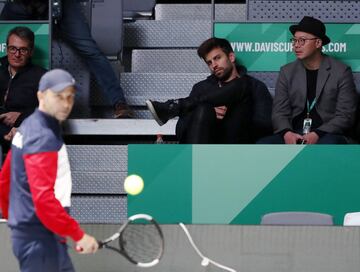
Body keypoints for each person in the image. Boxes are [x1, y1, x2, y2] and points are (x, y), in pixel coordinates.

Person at [0, 69, 98, 272]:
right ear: (41, 96)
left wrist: (18, 222)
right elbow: (43, 199)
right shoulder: (43, 137)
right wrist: (78, 234)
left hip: (41, 234)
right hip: (40, 238)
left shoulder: (29, 125)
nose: (66, 103)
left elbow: (5, 180)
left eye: (70, 97)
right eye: (59, 96)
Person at [0, 0, 133, 118]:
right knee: (5, 39)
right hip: (22, 4)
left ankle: (119, 102)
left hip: (61, 4)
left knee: (90, 50)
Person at [146, 37, 272, 143]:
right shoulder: (201, 88)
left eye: (217, 58)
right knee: (204, 109)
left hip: (237, 145)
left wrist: (232, 115)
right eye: (209, 63)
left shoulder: (254, 86)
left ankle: (174, 106)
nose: (214, 65)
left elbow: (265, 125)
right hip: (203, 146)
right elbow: (181, 130)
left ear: (231, 57)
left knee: (242, 84)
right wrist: (209, 114)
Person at [258, 16, 358, 144]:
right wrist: (287, 133)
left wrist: (318, 133)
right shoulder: (287, 71)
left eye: (302, 40)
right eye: (294, 40)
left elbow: (346, 115)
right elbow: (279, 112)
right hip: (294, 132)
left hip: (327, 133)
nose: (296, 45)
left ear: (318, 43)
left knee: (329, 144)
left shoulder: (341, 71)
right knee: (264, 144)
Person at [0, 26, 46, 146]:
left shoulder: (42, 76)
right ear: (6, 49)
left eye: (23, 50)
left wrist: (22, 116)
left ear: (31, 52)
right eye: (12, 49)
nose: (17, 54)